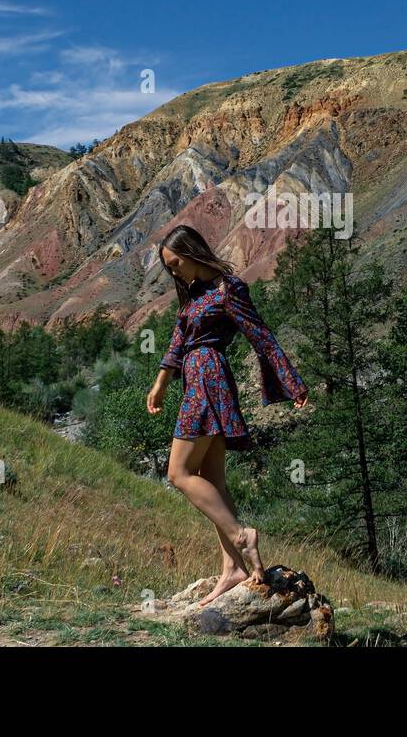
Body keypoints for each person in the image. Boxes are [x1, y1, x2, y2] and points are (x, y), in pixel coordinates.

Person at [146, 224, 307, 606]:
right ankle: (232, 570)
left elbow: (261, 335)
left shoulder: (228, 288)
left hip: (209, 380)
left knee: (178, 472)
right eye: (169, 267)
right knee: (211, 480)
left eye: (176, 263)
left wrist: (291, 380)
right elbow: (178, 340)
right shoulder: (195, 295)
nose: (174, 272)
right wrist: (161, 382)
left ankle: (241, 536)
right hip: (195, 379)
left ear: (192, 252)